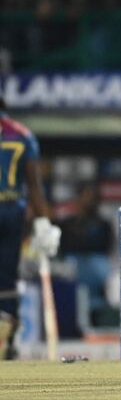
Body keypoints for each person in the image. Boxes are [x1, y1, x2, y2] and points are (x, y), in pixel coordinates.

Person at [0, 94, 54, 359]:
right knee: (8, 275)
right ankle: (8, 339)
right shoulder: (22, 134)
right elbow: (34, 184)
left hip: (12, 213)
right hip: (12, 211)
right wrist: (43, 221)